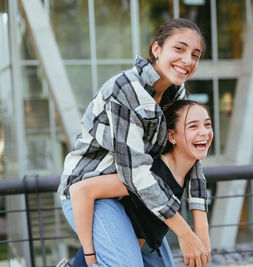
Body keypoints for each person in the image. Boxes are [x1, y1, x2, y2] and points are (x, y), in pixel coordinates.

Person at [57, 18, 210, 266]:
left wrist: (200, 226)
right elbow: (135, 172)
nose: (187, 61)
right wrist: (184, 232)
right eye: (179, 49)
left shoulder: (175, 92)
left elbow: (188, 153)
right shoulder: (125, 88)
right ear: (156, 49)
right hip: (94, 192)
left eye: (195, 54)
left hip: (135, 194)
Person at [70, 100, 213, 267]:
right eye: (193, 127)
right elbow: (81, 189)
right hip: (104, 259)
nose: (204, 132)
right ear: (172, 136)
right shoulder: (150, 173)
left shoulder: (187, 173)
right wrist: (90, 255)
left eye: (207, 124)